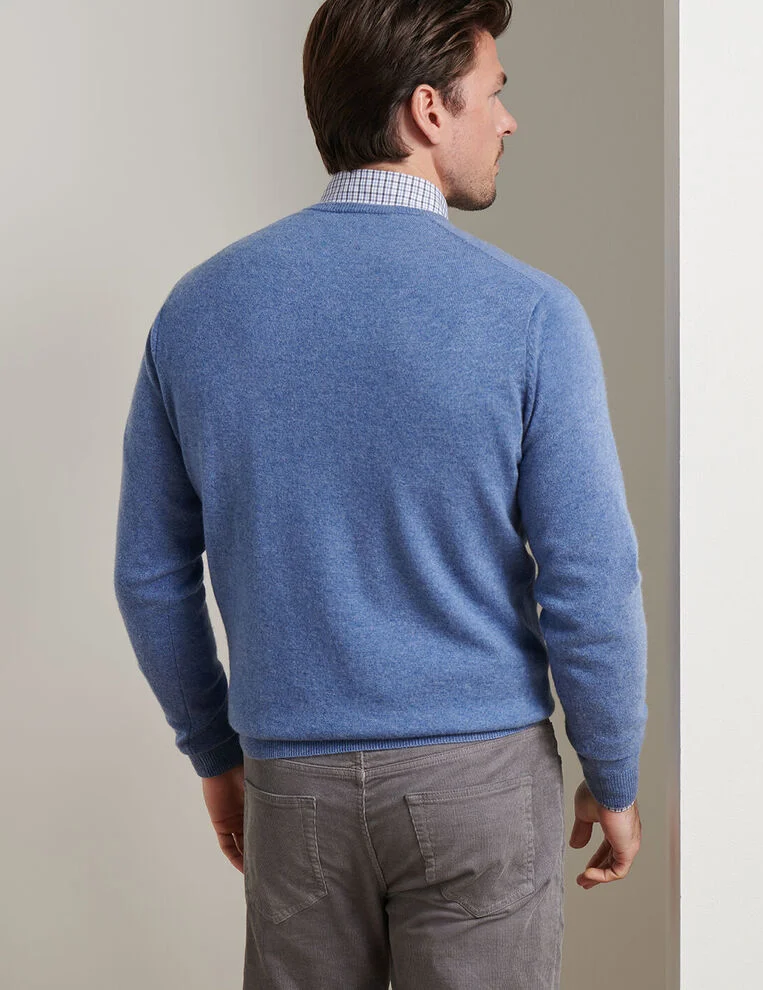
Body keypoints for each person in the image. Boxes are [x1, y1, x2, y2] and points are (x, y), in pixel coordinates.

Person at [113, 1, 648, 986]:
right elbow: (591, 576)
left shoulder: (197, 311)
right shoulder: (532, 315)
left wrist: (214, 752)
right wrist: (611, 774)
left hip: (293, 786)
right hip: (480, 783)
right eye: (494, 92)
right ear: (428, 110)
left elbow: (150, 575)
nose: (509, 119)